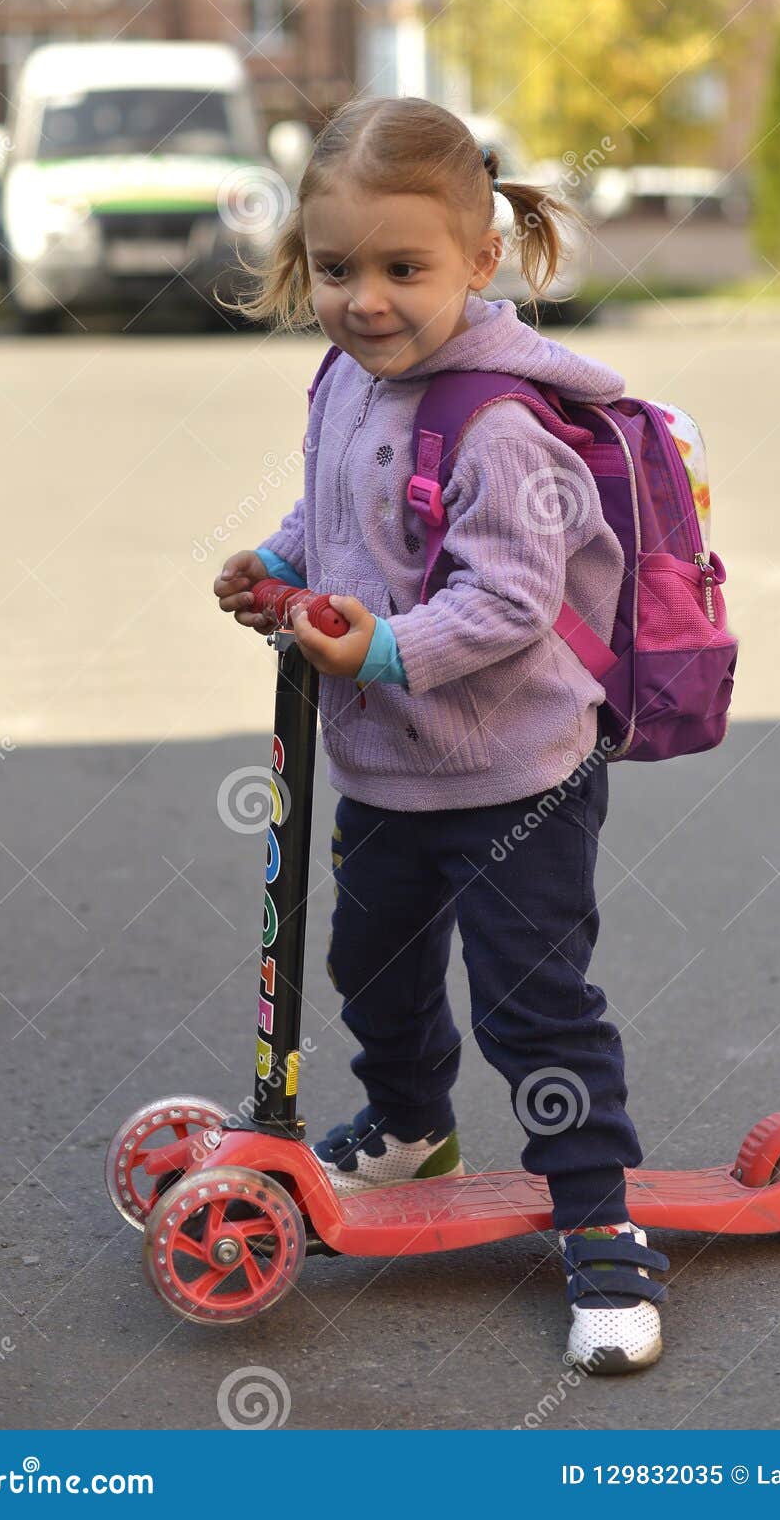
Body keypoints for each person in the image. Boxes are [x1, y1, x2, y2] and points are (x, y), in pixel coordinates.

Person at [213, 95, 668, 1374]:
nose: (366, 300)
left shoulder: (500, 422)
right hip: (385, 765)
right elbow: (335, 519)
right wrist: (279, 565)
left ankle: (600, 1221)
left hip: (517, 771)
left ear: (478, 262)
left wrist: (384, 647)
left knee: (535, 1005)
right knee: (375, 965)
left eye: (403, 269)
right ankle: (411, 1123)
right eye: (337, 268)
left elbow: (513, 601)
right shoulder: (349, 383)